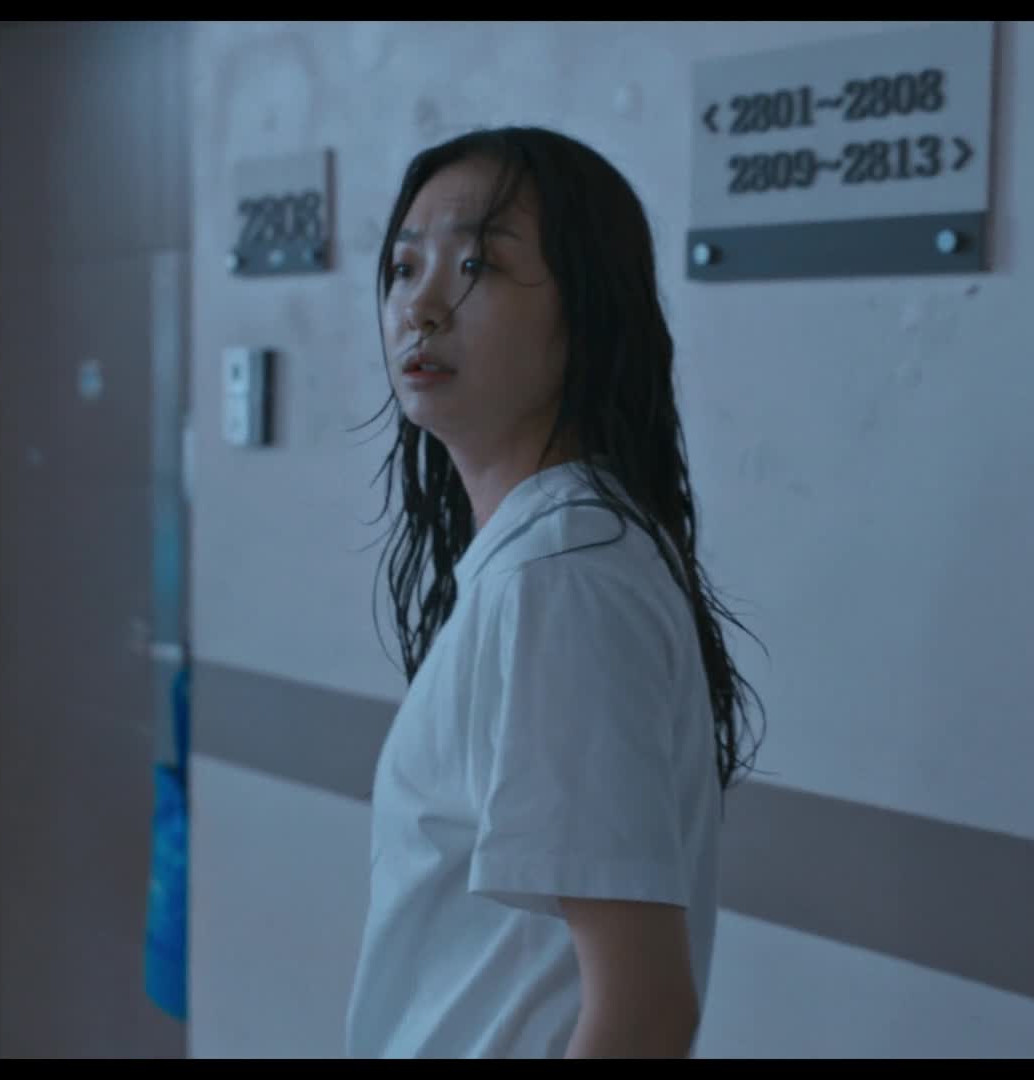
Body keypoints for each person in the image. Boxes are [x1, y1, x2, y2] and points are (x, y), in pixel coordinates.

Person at [344, 126, 766, 1059]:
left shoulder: (560, 577)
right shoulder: (551, 552)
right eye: (405, 267)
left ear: (587, 313)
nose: (422, 307)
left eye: (478, 267)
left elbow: (644, 1014)